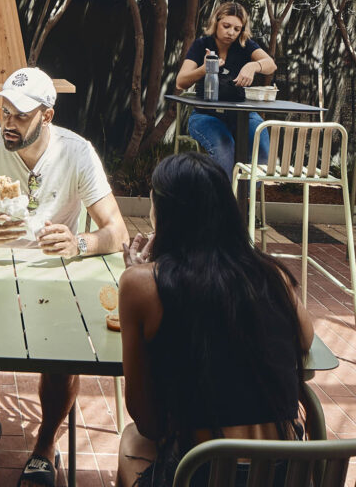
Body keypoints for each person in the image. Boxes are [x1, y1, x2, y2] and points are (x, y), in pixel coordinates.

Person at [0, 66, 126, 486]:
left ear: (46, 116)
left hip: (53, 276)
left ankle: (44, 445)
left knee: (63, 356)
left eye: (20, 115)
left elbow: (117, 231)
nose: (8, 122)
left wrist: (79, 243)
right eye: (5, 111)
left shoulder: (77, 152)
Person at [117, 152, 313, 487]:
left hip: (203, 474)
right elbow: (305, 339)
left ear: (163, 213)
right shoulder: (271, 275)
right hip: (285, 474)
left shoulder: (140, 285)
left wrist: (142, 271)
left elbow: (149, 423)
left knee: (133, 441)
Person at [175, 1, 277, 177]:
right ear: (216, 22)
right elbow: (180, 82)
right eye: (226, 26)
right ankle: (224, 201)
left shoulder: (245, 45)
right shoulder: (201, 45)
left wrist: (254, 66)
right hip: (206, 114)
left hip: (243, 115)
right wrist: (204, 68)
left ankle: (244, 200)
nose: (231, 32)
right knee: (224, 148)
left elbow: (271, 65)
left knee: (261, 148)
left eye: (237, 29)